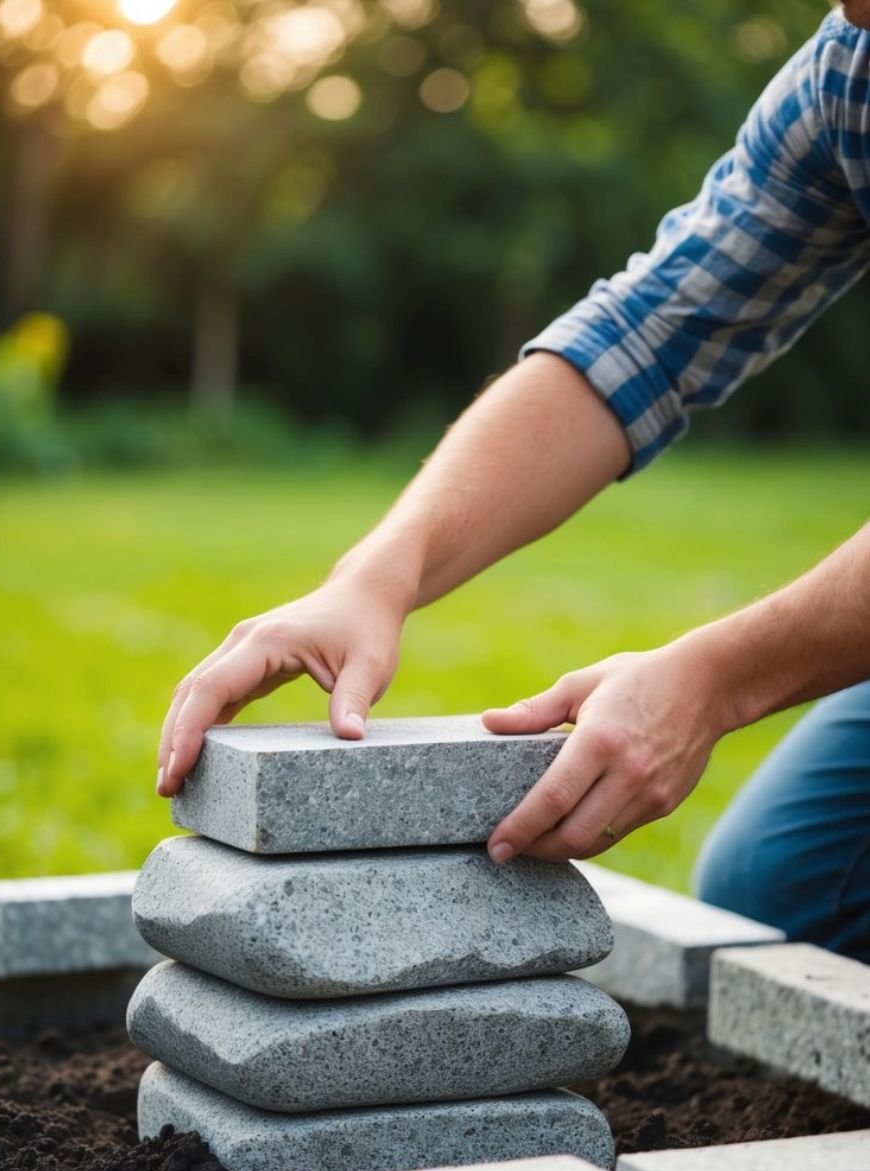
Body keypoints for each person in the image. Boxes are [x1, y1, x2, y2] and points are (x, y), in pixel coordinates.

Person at [158, 5, 870, 962]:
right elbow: (646, 333)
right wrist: (375, 578)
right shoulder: (847, 78)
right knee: (788, 884)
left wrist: (715, 680)